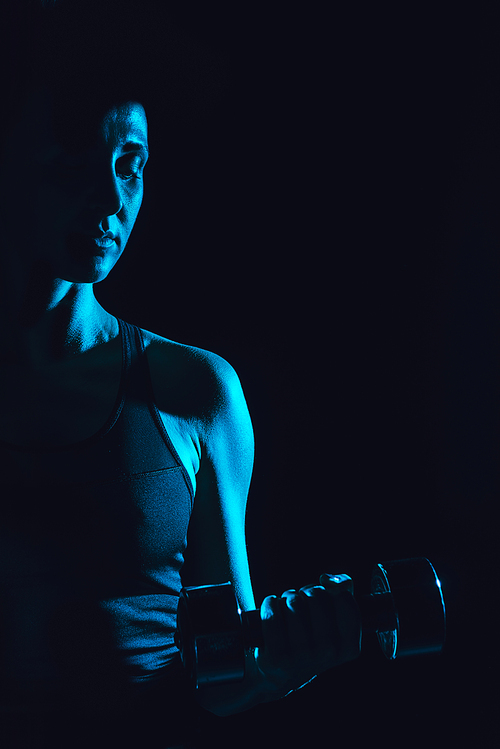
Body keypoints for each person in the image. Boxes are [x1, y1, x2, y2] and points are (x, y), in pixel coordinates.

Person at [0, 3, 361, 746]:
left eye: (129, 164)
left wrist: (288, 659)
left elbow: (227, 666)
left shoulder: (195, 393)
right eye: (76, 153)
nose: (110, 198)